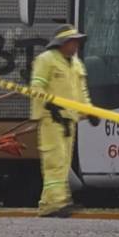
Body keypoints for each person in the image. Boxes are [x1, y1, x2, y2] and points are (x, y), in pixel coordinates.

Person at [30, 24, 98, 218]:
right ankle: (54, 205)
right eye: (73, 41)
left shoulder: (76, 63)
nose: (76, 45)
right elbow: (37, 87)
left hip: (69, 120)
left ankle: (54, 203)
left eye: (77, 41)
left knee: (63, 163)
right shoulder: (46, 60)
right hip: (51, 119)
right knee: (55, 162)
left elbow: (81, 91)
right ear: (63, 43)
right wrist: (47, 107)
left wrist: (89, 111)